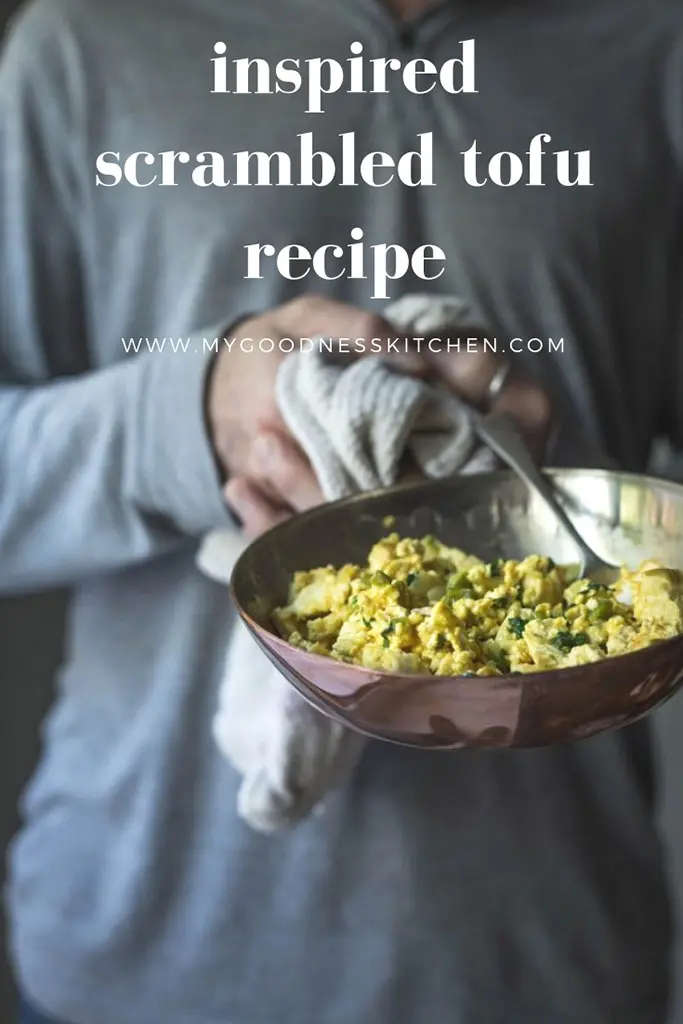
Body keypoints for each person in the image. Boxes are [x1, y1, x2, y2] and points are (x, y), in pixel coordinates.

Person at [1, 0, 681, 1022]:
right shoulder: (86, 41)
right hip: (138, 948)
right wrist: (182, 414)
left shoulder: (652, 44)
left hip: (539, 962)